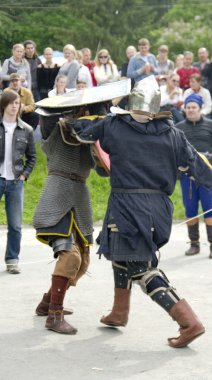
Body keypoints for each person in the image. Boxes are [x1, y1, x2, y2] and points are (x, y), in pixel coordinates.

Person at [65, 76, 212, 348]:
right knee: (121, 255)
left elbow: (79, 130)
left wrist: (82, 109)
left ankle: (188, 321)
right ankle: (119, 312)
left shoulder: (114, 125)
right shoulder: (174, 135)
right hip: (158, 209)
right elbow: (197, 163)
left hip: (128, 207)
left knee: (141, 266)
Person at [33, 95, 109, 334]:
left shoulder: (90, 137)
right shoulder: (56, 128)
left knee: (83, 260)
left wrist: (99, 139)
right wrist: (66, 104)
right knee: (70, 257)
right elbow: (46, 117)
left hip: (79, 197)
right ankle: (54, 316)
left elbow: (104, 171)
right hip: (57, 193)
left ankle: (47, 303)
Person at [175, 93, 212, 259]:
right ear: (185, 109)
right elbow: (174, 151)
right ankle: (194, 244)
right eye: (188, 107)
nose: (190, 110)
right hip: (187, 177)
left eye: (193, 107)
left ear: (200, 109)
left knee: (210, 210)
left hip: (207, 177)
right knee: (191, 211)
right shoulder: (178, 128)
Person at [0, 89, 36, 274]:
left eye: (17, 103)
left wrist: (24, 175)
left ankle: (12, 260)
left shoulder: (26, 130)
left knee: (15, 224)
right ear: (4, 104)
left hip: (15, 182)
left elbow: (32, 157)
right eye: (12, 102)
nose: (15, 106)